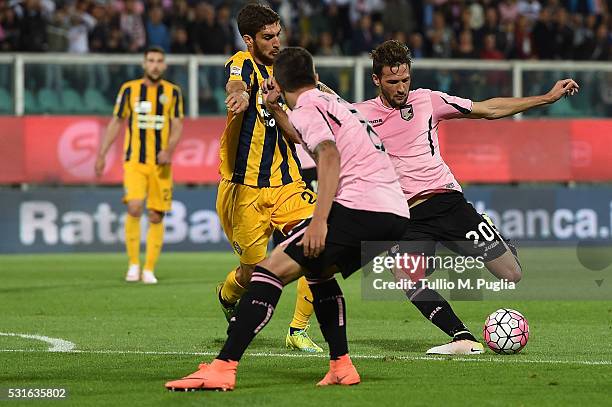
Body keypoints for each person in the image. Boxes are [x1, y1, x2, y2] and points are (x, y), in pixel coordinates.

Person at [165, 46, 410, 391]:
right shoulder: (332, 104)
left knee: (267, 272)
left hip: (360, 207)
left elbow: (327, 154)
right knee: (319, 272)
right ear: (316, 78)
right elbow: (304, 139)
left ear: (278, 81)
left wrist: (320, 220)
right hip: (394, 214)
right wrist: (274, 108)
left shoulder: (309, 106)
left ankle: (223, 366)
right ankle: (341, 365)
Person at [354, 40, 579, 354]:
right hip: (407, 214)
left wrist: (546, 98)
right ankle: (462, 337)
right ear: (377, 80)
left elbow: (488, 109)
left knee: (511, 273)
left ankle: (490, 235)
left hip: (447, 202)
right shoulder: (360, 115)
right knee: (404, 273)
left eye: (406, 79)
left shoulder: (428, 101)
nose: (402, 87)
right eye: (393, 82)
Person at [214, 3, 321, 353]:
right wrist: (239, 95)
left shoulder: (288, 68)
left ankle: (298, 330)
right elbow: (235, 83)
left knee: (319, 248)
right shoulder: (242, 63)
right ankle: (228, 293)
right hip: (245, 191)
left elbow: (317, 93)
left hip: (289, 183)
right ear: (249, 40)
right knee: (253, 275)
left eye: (279, 34)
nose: (276, 42)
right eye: (267, 37)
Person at [94, 46, 184, 284]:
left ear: (164, 65)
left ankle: (149, 269)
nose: (155, 65)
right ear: (144, 64)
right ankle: (133, 264)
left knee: (156, 215)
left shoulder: (172, 93)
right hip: (134, 161)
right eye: (151, 60)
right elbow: (116, 122)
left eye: (159, 61)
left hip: (161, 164)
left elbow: (177, 125)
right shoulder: (129, 90)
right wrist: (102, 153)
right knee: (134, 207)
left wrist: (168, 149)